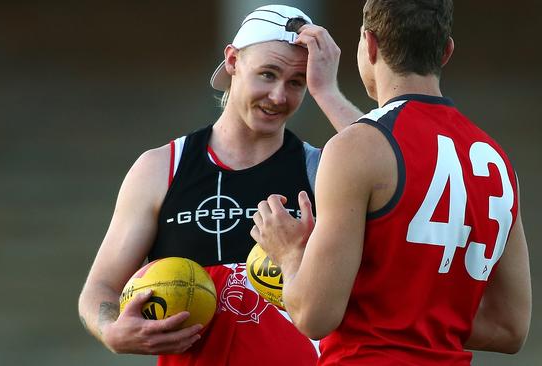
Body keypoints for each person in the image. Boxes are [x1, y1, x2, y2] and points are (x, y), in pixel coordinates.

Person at [78, 4, 362, 366]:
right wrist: (110, 329)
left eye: (296, 82)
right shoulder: (160, 168)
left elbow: (394, 167)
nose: (279, 96)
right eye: (267, 74)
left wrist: (328, 92)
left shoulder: (323, 170)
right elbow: (99, 288)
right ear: (232, 61)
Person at [251, 0, 532, 364]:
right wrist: (415, 310)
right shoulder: (496, 162)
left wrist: (289, 253)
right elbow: (510, 327)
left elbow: (313, 315)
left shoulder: (356, 150)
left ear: (369, 44)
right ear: (445, 52)